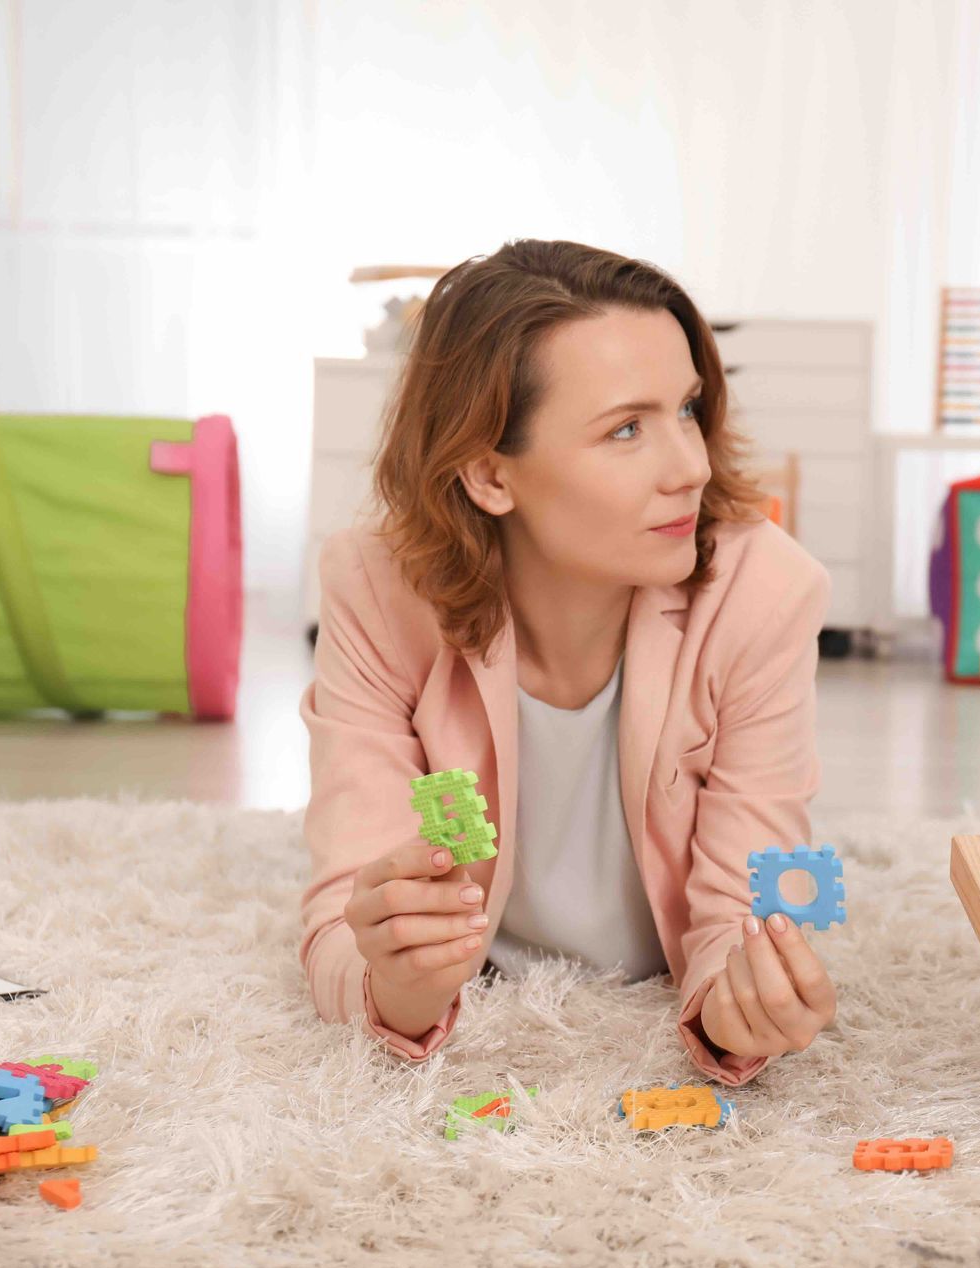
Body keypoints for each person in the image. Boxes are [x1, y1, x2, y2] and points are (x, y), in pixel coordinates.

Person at [299, 240, 835, 1086]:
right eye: (626, 429)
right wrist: (396, 983)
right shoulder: (374, 589)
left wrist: (742, 1008)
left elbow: (745, 904)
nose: (691, 466)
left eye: (688, 409)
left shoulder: (763, 592)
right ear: (487, 472)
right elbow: (345, 911)